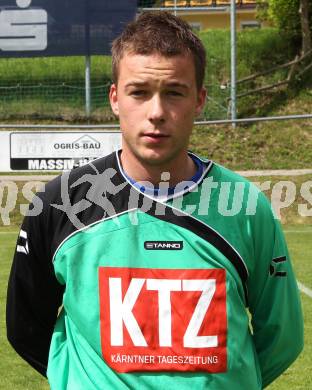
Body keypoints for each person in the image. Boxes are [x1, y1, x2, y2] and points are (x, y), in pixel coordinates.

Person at [6, 11, 303, 390]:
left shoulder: (244, 205)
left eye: (174, 92)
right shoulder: (59, 202)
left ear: (199, 100)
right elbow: (25, 325)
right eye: (139, 92)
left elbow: (281, 337)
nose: (157, 112)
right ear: (115, 98)